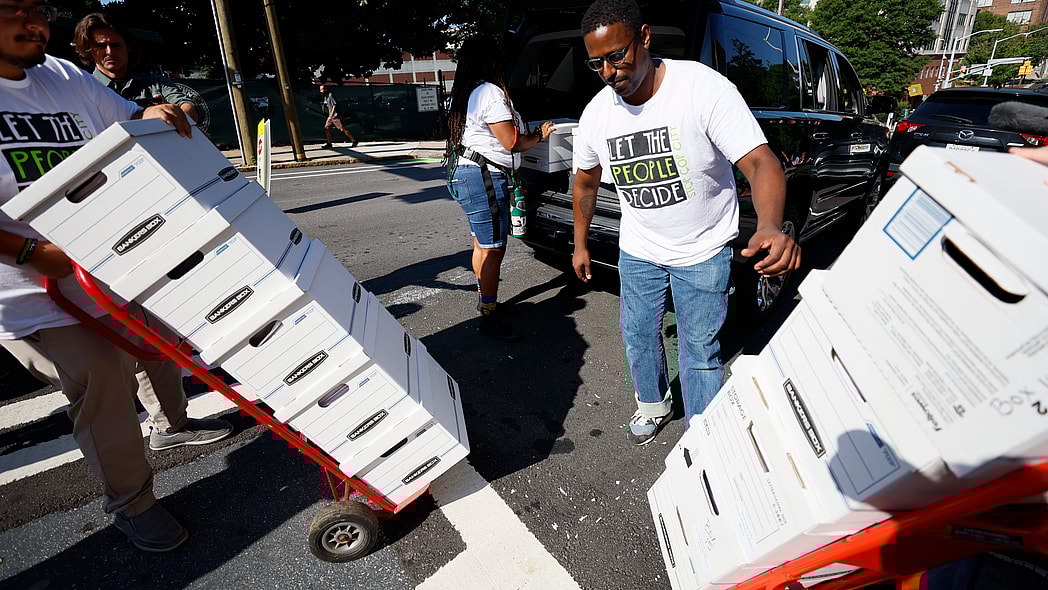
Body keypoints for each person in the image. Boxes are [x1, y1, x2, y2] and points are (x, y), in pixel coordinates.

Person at [0, 0, 231, 552]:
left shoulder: (59, 75)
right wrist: (33, 252)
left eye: (37, 9)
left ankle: (170, 427)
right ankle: (132, 502)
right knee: (102, 373)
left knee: (159, 339)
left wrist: (153, 114)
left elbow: (125, 120)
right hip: (30, 289)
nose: (35, 23)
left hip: (104, 264)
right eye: (15, 10)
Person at [572, 0, 801, 445]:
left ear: (644, 38)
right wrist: (581, 244)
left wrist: (770, 224)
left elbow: (760, 163)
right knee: (637, 335)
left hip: (704, 248)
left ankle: (703, 431)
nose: (608, 72)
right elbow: (584, 184)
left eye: (617, 56)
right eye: (596, 62)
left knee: (699, 350)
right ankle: (653, 406)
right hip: (639, 249)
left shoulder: (702, 89)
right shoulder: (598, 113)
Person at [443, 36, 555, 342]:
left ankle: (487, 303)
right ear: (492, 61)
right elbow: (512, 142)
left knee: (482, 245)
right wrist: (540, 135)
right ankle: (489, 318)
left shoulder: (466, 91)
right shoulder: (490, 92)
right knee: (493, 248)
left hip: (467, 172)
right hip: (483, 177)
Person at [73, 12, 200, 124]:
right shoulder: (83, 90)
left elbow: (189, 109)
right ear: (88, 51)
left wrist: (173, 114)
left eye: (115, 45)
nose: (109, 52)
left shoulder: (156, 83)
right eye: (101, 46)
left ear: (128, 47)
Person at [320, 84, 357, 148]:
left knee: (342, 129)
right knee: (326, 128)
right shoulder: (325, 97)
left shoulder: (330, 95)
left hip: (335, 116)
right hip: (330, 116)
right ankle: (329, 143)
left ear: (325, 89)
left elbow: (334, 106)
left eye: (322, 89)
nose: (320, 91)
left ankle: (354, 140)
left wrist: (331, 116)